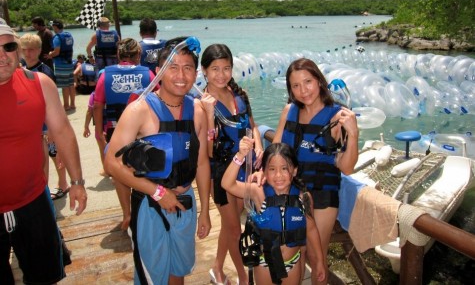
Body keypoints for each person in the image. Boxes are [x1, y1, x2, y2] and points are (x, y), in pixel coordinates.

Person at [104, 37, 211, 284]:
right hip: (150, 205)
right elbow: (111, 163)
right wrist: (158, 192)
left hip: (185, 203)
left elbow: (202, 162)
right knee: (153, 277)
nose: (180, 75)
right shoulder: (139, 110)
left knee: (178, 272)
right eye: (172, 67)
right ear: (158, 71)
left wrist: (205, 210)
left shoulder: (196, 111)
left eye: (187, 68)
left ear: (195, 73)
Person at [0, 23, 87, 284]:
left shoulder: (40, 83)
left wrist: (77, 182)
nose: (3, 55)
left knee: (44, 276)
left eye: (9, 46)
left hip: (33, 201)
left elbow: (62, 131)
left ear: (18, 50)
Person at [273, 58, 359, 284]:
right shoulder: (289, 110)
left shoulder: (337, 116)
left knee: (315, 253)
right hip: (292, 190)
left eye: (308, 82)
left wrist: (354, 135)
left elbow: (347, 167)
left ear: (319, 81)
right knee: (293, 249)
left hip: (323, 192)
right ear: (290, 89)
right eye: (296, 85)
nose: (303, 90)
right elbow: (276, 151)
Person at [200, 43, 263, 285]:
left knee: (230, 225)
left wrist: (258, 146)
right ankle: (244, 280)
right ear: (204, 70)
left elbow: (253, 126)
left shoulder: (240, 95)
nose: (221, 74)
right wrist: (207, 114)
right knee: (235, 229)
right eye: (215, 68)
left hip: (246, 167)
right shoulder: (202, 103)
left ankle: (217, 268)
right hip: (222, 174)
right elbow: (207, 151)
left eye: (226, 68)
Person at [222, 138, 326, 285]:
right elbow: (227, 183)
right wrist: (240, 155)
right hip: (265, 263)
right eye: (272, 169)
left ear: (295, 170)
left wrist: (320, 261)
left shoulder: (304, 197)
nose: (278, 175)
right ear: (264, 171)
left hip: (293, 262)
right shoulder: (258, 192)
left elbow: (312, 230)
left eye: (285, 168)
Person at [93, 38, 155, 229]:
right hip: (142, 131)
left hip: (115, 130)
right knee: (144, 168)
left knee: (120, 173)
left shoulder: (105, 75)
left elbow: (97, 104)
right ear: (138, 55)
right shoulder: (148, 74)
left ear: (118, 55)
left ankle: (127, 214)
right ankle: (148, 208)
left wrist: (97, 131)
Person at [19, 33, 70, 200]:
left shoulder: (44, 71)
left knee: (56, 156)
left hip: (46, 123)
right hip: (32, 123)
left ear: (39, 50)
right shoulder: (20, 70)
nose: (28, 54)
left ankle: (63, 184)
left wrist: (51, 129)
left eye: (32, 50)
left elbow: (52, 102)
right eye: (24, 50)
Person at [50, 19, 76, 111]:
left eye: (53, 27)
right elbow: (71, 49)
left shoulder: (57, 38)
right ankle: (73, 104)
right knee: (71, 85)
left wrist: (50, 55)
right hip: (69, 63)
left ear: (55, 27)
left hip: (61, 64)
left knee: (65, 86)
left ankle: (66, 105)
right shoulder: (69, 35)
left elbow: (56, 52)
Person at [84, 91, 107, 176]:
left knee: (102, 149)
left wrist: (86, 127)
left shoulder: (94, 95)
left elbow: (90, 111)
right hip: (114, 124)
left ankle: (106, 169)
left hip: (100, 126)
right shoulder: (115, 92)